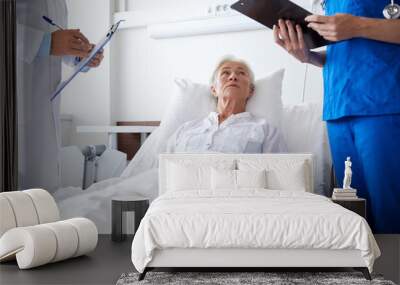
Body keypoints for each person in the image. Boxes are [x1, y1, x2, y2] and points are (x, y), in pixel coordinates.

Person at [273, 0, 400, 233]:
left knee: (390, 215)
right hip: (339, 107)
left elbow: (358, 30)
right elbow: (346, 51)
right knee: (354, 219)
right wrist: (307, 56)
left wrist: (358, 26)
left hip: (384, 105)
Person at [17, 0, 104, 192]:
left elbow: (54, 42)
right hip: (14, 97)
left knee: (41, 193)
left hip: (42, 103)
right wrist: (44, 43)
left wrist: (79, 55)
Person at [167, 57, 287, 153]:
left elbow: (279, 176)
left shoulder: (265, 131)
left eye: (241, 73)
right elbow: (162, 171)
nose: (233, 77)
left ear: (250, 91)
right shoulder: (185, 130)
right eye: (225, 73)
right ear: (214, 89)